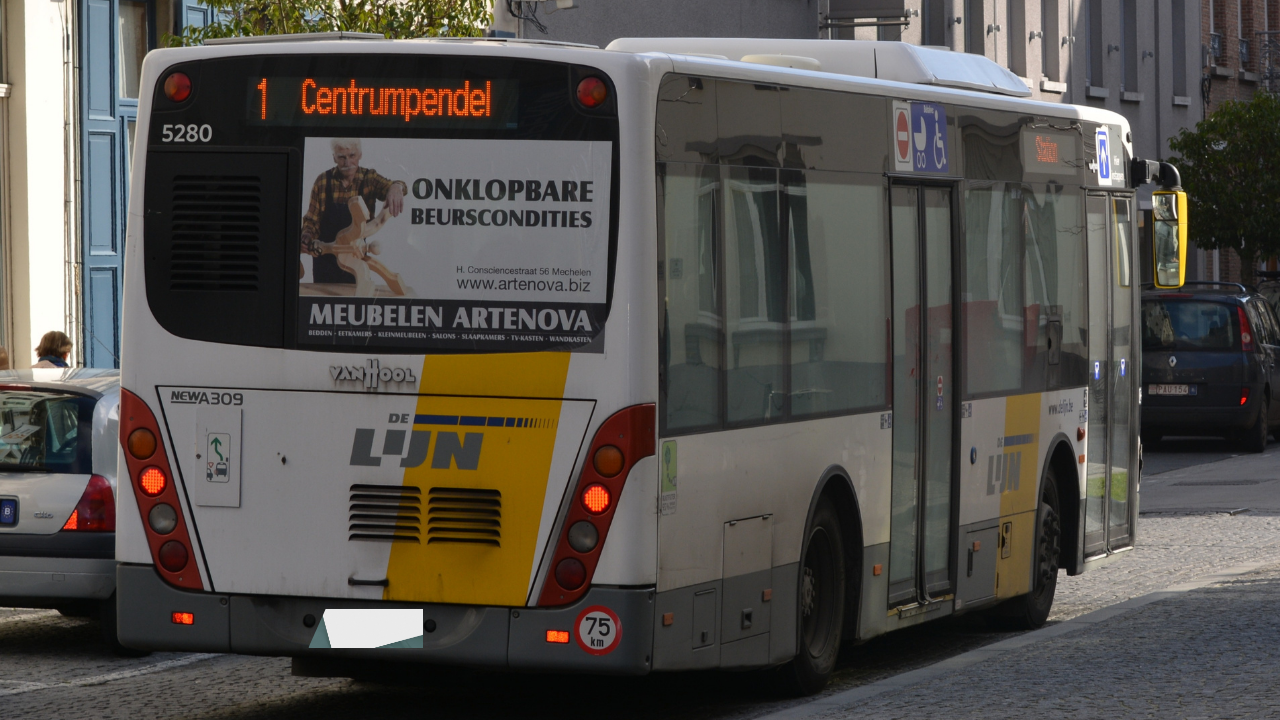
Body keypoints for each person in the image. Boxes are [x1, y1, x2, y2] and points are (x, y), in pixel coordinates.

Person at [300, 138, 407, 285]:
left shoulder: (369, 178)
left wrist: (396, 187)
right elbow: (312, 220)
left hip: (356, 258)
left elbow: (394, 185)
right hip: (325, 260)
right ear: (334, 158)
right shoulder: (323, 181)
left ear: (360, 155)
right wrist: (306, 235)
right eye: (342, 157)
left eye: (352, 156)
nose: (347, 163)